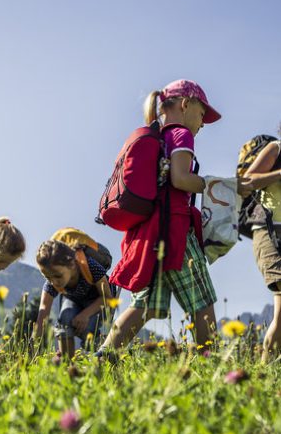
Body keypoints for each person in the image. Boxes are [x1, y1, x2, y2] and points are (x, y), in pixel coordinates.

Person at [98, 79, 253, 354]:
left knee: (143, 307)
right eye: (202, 113)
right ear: (186, 104)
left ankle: (102, 357)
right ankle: (211, 363)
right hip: (176, 233)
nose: (203, 123)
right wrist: (208, 183)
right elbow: (180, 179)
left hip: (151, 235)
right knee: (202, 304)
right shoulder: (181, 134)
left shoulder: (159, 135)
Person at [34, 239, 114, 359]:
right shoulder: (53, 279)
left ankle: (103, 357)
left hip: (98, 301)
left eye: (57, 276)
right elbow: (44, 309)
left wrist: (85, 314)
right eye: (48, 277)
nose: (54, 282)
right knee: (64, 320)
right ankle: (67, 362)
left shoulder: (90, 266)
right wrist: (34, 341)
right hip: (75, 300)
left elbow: (107, 297)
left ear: (72, 265)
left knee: (87, 331)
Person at [243, 129, 281, 360]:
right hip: (268, 230)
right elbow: (248, 180)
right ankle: (266, 371)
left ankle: (269, 373)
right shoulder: (277, 147)